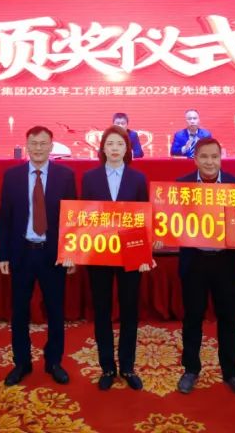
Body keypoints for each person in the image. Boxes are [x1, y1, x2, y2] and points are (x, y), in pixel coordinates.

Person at [0, 125, 77, 386]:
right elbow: (5, 218)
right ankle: (21, 362)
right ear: (27, 146)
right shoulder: (13, 176)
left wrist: (71, 253)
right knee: (19, 311)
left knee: (55, 310)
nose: (38, 148)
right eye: (33, 143)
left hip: (52, 255)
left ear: (51, 147)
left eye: (43, 143)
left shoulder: (65, 176)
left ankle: (54, 361)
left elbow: (71, 217)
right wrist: (4, 255)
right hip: (22, 253)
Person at [174, 137, 235, 397]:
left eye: (214, 157)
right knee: (192, 318)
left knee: (228, 319)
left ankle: (231, 373)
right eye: (204, 157)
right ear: (195, 159)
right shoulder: (182, 185)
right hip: (194, 261)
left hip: (225, 262)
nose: (209, 162)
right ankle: (191, 369)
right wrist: (162, 233)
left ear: (221, 158)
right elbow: (171, 221)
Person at [81, 126, 151, 391]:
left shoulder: (137, 178)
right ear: (102, 148)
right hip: (99, 252)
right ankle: (107, 367)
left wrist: (144, 253)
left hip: (130, 253)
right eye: (110, 143)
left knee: (129, 310)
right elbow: (83, 216)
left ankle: (128, 367)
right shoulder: (90, 178)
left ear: (127, 149)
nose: (114, 148)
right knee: (102, 310)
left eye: (119, 144)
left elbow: (143, 218)